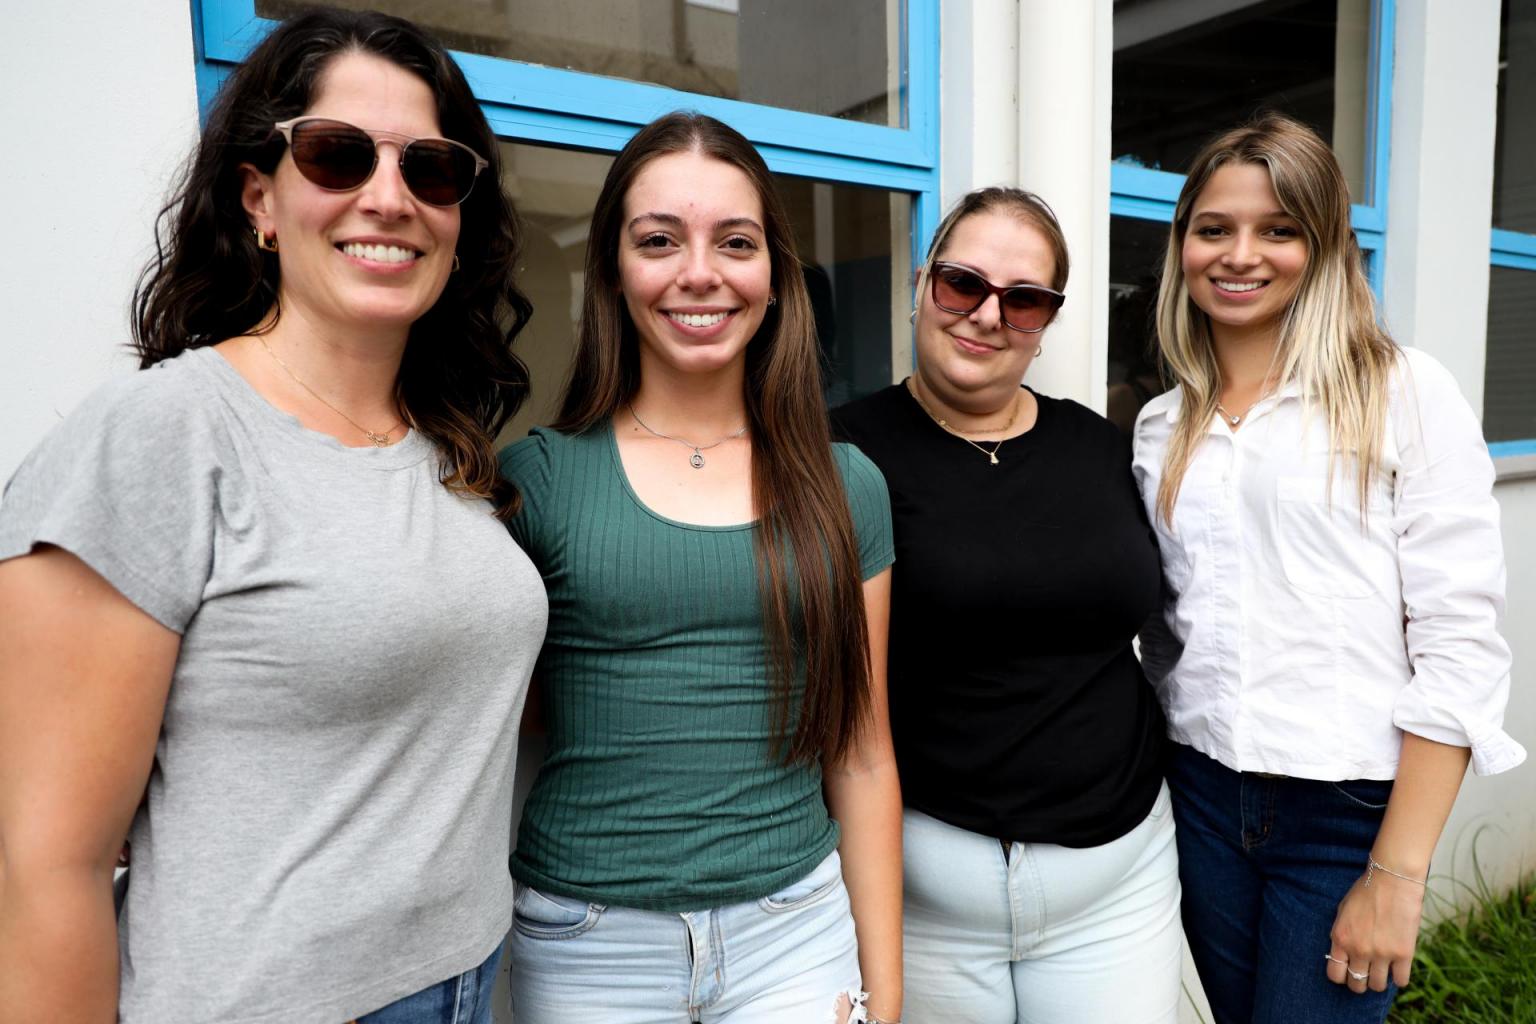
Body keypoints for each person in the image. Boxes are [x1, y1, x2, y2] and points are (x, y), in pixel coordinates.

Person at [0, 11, 546, 1023]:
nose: (388, 198)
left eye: (430, 169)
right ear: (261, 196)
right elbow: (43, 869)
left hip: (468, 978)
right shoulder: (164, 433)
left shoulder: (444, 443)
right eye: (338, 156)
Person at [498, 111, 902, 1024]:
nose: (700, 272)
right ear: (613, 271)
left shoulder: (846, 485)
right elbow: (494, 733)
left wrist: (887, 1000)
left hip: (795, 933)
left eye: (736, 241)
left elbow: (864, 752)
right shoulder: (539, 480)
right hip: (588, 945)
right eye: (659, 240)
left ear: (773, 276)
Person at [1133, 112, 1526, 1023]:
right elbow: (1166, 631)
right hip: (1198, 797)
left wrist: (1397, 872)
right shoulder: (1162, 426)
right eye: (1214, 228)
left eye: (1279, 230)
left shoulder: (1402, 391)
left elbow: (1460, 645)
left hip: (1347, 816)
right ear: (1182, 244)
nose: (1241, 255)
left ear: (1326, 246)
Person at [832, 187, 1182, 1023]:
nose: (988, 315)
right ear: (922, 282)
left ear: (1047, 320)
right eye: (963, 284)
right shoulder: (839, 452)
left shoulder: (1101, 446)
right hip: (923, 902)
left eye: (1023, 299)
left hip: (1117, 888)